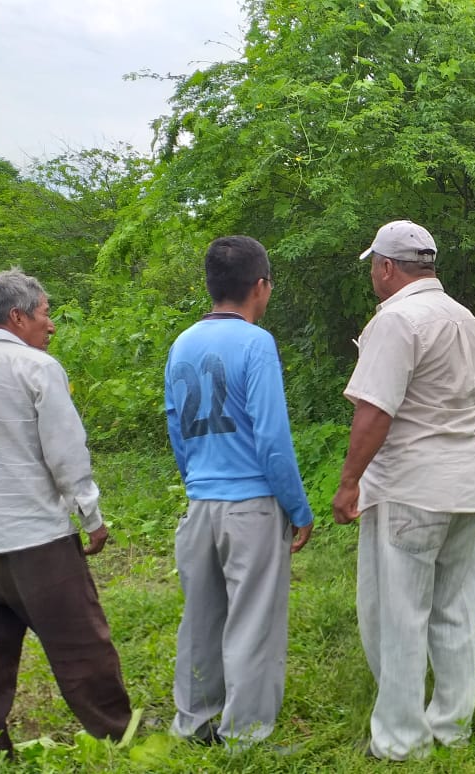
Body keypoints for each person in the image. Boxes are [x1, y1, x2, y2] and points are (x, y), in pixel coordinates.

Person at [0, 269, 137, 762]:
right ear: (17, 317)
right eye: (44, 313)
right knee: (81, 644)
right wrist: (91, 517)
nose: (50, 324)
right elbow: (66, 453)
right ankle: (118, 738)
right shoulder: (35, 367)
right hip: (36, 539)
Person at [332, 220, 475, 762]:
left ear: (386, 267)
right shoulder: (466, 320)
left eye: (373, 267)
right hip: (464, 485)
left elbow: (375, 410)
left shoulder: (395, 320)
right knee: (456, 610)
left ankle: (400, 740)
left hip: (409, 488)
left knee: (399, 613)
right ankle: (452, 726)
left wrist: (349, 482)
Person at [165, 236, 314, 751]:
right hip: (251, 507)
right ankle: (246, 737)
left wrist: (197, 483)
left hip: (200, 501)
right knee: (253, 622)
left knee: (200, 619)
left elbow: (176, 429)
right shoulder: (257, 343)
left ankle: (194, 721)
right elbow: (271, 438)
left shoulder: (182, 344)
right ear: (260, 286)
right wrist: (298, 509)